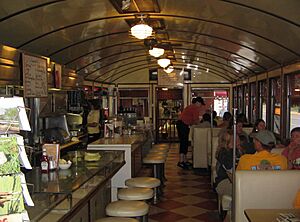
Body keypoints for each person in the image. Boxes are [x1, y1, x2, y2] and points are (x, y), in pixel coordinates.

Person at [176, 96, 206, 169]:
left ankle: (184, 160)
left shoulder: (191, 107)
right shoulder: (194, 108)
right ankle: (181, 161)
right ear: (197, 103)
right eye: (200, 104)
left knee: (184, 142)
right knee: (184, 142)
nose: (200, 106)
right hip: (183, 124)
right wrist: (202, 122)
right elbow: (196, 120)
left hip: (181, 124)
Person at [215, 130, 242, 197]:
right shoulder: (223, 153)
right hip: (224, 181)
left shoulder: (239, 151)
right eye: (236, 139)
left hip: (237, 179)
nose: (239, 141)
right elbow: (230, 168)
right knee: (242, 189)